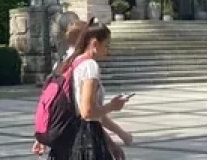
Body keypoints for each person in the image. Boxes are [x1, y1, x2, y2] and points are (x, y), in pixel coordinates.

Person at [58, 19, 133, 160]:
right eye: (106, 45)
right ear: (94, 44)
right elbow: (87, 112)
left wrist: (113, 141)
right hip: (87, 138)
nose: (108, 51)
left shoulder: (74, 62)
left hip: (73, 133)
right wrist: (112, 106)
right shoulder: (90, 66)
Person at [34, 20, 91, 156]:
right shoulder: (85, 65)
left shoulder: (60, 63)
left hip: (59, 132)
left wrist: (44, 133)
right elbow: (87, 110)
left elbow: (51, 100)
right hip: (76, 135)